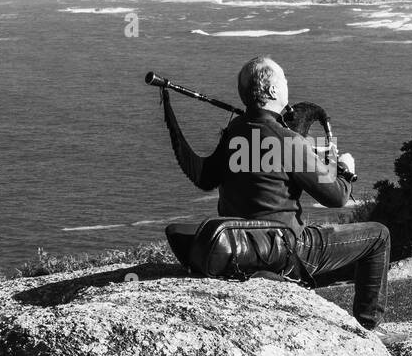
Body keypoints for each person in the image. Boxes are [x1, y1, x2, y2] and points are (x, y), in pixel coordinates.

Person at [160, 56, 390, 330]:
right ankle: (368, 328)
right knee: (378, 236)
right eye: (284, 80)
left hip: (242, 243)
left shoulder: (234, 132)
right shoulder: (287, 140)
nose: (287, 84)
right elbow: (337, 198)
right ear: (271, 91)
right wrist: (345, 171)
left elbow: (211, 176)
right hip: (287, 248)